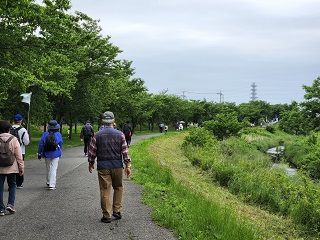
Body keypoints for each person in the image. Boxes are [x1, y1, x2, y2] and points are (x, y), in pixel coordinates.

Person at [88, 111, 131, 223]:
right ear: (113, 121)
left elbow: (92, 151)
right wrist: (127, 165)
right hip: (117, 165)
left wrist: (91, 162)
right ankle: (116, 211)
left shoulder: (97, 135)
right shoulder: (120, 134)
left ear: (103, 121)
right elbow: (125, 151)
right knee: (118, 187)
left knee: (105, 190)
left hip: (103, 166)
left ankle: (106, 215)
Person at [0, 120, 24, 216]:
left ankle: (1, 209)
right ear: (9, 129)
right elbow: (18, 155)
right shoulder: (13, 139)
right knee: (12, 185)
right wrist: (21, 167)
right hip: (12, 167)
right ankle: (10, 204)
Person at [37, 120, 63, 190]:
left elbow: (41, 144)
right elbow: (60, 144)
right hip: (56, 153)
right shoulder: (58, 135)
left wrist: (39, 153)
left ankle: (48, 181)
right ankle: (52, 184)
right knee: (53, 169)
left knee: (48, 167)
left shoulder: (45, 134)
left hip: (47, 153)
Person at [11, 114, 30, 189]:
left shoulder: (9, 128)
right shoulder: (23, 130)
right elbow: (26, 142)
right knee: (20, 166)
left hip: (10, 151)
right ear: (21, 121)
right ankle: (19, 183)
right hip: (21, 151)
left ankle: (12, 182)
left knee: (11, 166)